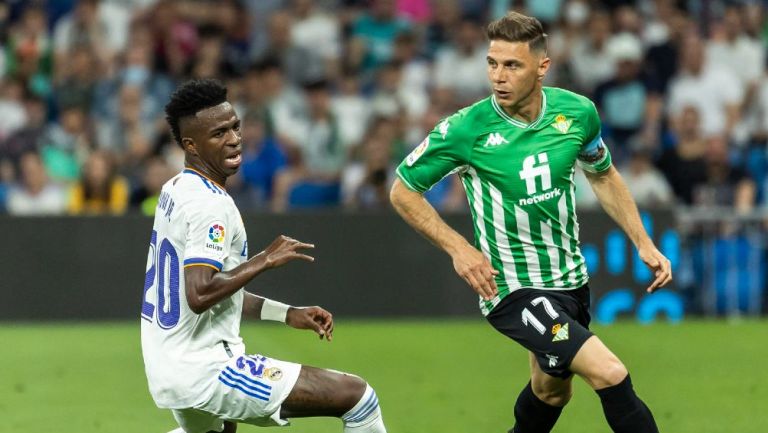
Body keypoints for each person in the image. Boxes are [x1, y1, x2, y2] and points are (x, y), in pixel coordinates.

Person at [389, 12, 671, 433]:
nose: (498, 77)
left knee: (552, 392)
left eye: (512, 65)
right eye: (492, 63)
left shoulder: (577, 114)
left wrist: (643, 242)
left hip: (570, 281)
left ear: (542, 66)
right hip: (512, 288)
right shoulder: (467, 129)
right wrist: (459, 248)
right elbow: (403, 190)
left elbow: (603, 174)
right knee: (610, 373)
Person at [141, 79, 386, 433]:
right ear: (191, 145)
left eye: (235, 126)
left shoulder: (176, 189)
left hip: (173, 366)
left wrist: (286, 314)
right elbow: (199, 294)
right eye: (219, 133)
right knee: (358, 397)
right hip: (206, 371)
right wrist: (263, 260)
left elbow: (214, 294)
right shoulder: (208, 205)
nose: (234, 138)